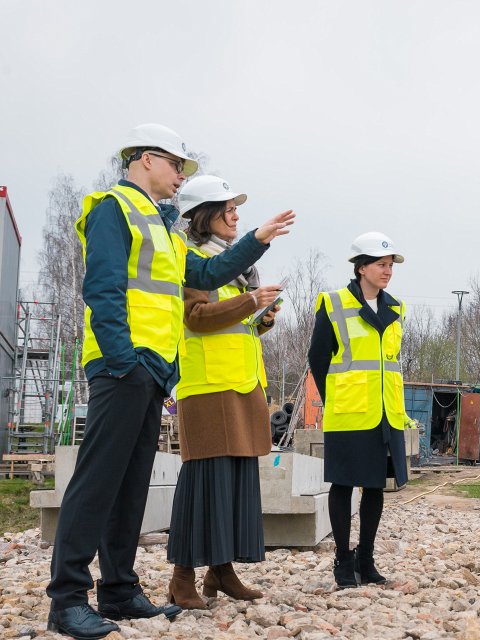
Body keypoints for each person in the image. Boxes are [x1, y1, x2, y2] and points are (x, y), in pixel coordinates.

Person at [46, 124, 295, 640]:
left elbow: (207, 274)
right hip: (125, 365)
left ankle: (118, 590)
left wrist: (258, 240)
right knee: (97, 482)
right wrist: (120, 359)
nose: (182, 175)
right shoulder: (114, 207)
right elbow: (104, 288)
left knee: (130, 484)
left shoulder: (162, 229)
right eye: (176, 164)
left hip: (154, 369)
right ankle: (67, 599)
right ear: (144, 161)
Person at [165, 175, 284, 609]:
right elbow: (196, 317)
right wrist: (250, 303)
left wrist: (262, 315)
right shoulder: (192, 260)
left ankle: (220, 570)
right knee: (203, 482)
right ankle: (181, 578)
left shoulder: (237, 267)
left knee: (235, 482)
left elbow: (232, 322)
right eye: (227, 208)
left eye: (236, 208)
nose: (236, 215)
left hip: (241, 383)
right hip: (207, 386)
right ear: (203, 215)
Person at [308, 232, 407, 589]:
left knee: (375, 486)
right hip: (349, 410)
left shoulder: (396, 308)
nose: (388, 270)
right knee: (343, 484)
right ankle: (342, 560)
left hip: (385, 412)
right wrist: (336, 395)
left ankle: (366, 559)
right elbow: (318, 358)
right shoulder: (333, 303)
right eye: (381, 264)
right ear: (361, 267)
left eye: (391, 264)